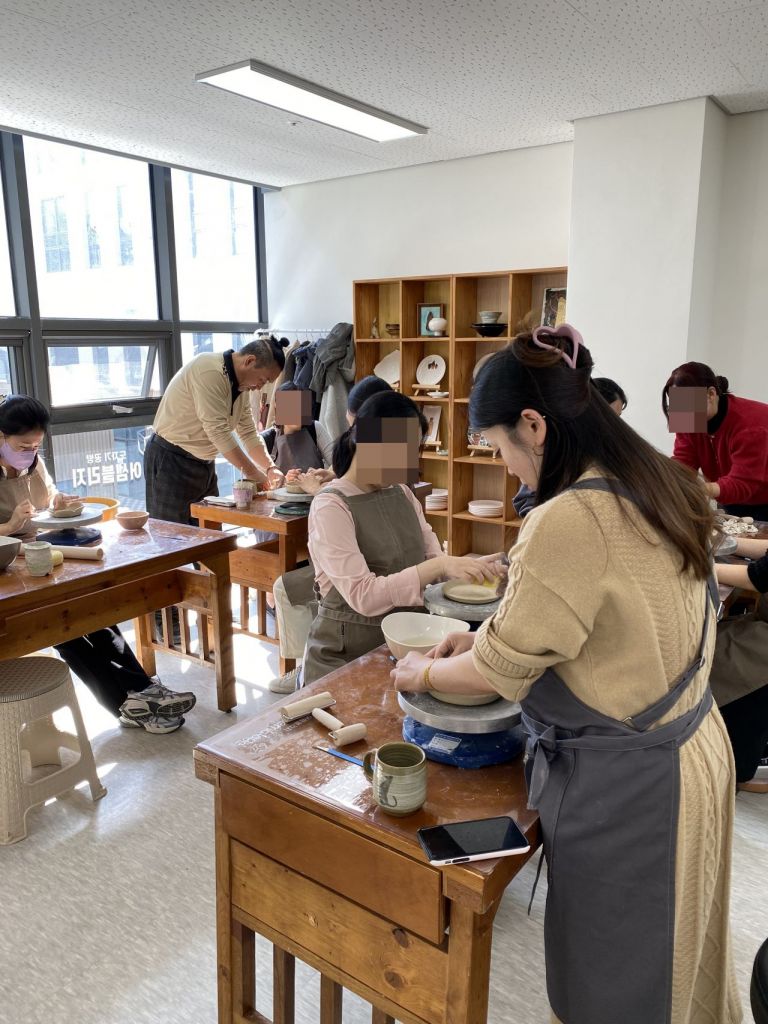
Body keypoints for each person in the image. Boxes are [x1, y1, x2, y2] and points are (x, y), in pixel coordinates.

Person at [391, 324, 740, 1024]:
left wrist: (420, 675)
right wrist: (479, 638)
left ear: (533, 425)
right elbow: (593, 624)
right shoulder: (656, 478)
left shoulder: (569, 519)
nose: (506, 468)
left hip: (636, 792)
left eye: (499, 447)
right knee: (682, 960)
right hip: (694, 750)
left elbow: (494, 677)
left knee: (623, 984)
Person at [0, 395, 195, 734]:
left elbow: (47, 502)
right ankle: (133, 702)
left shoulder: (34, 464)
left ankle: (141, 695)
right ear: (1, 437)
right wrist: (10, 525)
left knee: (93, 616)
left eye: (35, 446)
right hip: (9, 572)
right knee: (65, 631)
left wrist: (58, 501)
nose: (30, 452)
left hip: (45, 556)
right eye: (22, 446)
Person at [302, 390, 505, 685]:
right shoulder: (330, 506)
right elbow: (364, 596)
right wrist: (439, 566)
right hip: (345, 659)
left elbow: (434, 565)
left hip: (409, 646)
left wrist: (471, 570)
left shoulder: (403, 494)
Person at [267, 376, 394, 694]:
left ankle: (303, 668)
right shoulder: (394, 462)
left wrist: (319, 489)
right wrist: (333, 475)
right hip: (373, 564)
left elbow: (352, 494)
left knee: (286, 587)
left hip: (366, 578)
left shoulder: (317, 431)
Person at [145, 335, 289, 526]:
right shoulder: (208, 370)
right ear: (249, 361)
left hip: (204, 464)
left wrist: (270, 468)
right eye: (262, 380)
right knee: (172, 536)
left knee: (212, 535)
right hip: (171, 460)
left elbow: (248, 433)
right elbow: (218, 432)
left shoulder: (242, 388)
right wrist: (254, 474)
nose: (259, 387)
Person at [663, 361, 768, 519]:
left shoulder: (750, 426)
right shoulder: (687, 417)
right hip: (731, 496)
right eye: (677, 405)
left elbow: (744, 484)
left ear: (711, 394)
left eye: (687, 404)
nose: (683, 413)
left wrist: (700, 490)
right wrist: (664, 477)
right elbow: (684, 461)